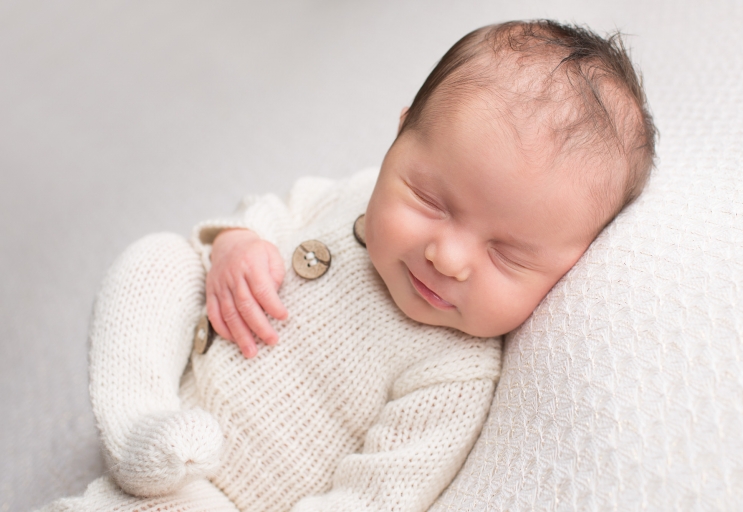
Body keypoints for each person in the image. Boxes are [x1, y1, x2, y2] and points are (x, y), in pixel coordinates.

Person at [40, 19, 656, 512]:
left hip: (225, 499)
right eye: (431, 201)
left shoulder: (454, 375)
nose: (447, 257)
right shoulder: (357, 194)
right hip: (170, 400)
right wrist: (238, 244)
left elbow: (376, 496)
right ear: (398, 139)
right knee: (158, 260)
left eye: (507, 254)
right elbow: (277, 212)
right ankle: (135, 425)